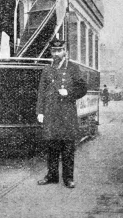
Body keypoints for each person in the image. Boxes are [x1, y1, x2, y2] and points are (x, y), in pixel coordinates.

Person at [36, 38, 87, 189]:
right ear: (51, 52)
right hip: (51, 112)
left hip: (66, 113)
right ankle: (52, 175)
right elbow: (41, 92)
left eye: (59, 50)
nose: (57, 53)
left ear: (65, 51)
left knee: (67, 147)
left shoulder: (73, 68)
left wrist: (69, 92)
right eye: (54, 51)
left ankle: (68, 178)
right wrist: (40, 111)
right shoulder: (47, 69)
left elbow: (83, 88)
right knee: (51, 146)